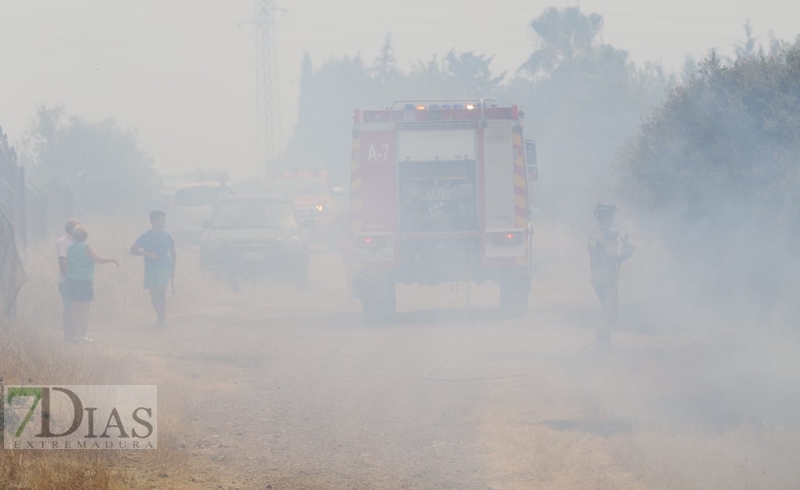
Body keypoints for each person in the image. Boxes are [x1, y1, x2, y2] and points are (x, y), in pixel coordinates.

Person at [587, 202, 636, 349]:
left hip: (596, 276)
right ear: (606, 216)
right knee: (612, 312)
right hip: (607, 278)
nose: (613, 218)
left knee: (606, 308)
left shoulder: (593, 232)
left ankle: (604, 341)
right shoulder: (608, 235)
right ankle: (603, 342)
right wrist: (627, 251)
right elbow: (612, 256)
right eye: (611, 215)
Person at [65, 225, 120, 343]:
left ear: (73, 235)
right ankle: (83, 336)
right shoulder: (86, 246)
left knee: (75, 310)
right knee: (84, 310)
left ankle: (74, 336)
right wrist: (111, 259)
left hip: (71, 280)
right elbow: (98, 259)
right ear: (85, 236)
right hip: (84, 281)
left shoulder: (70, 247)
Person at [130, 210, 176, 328]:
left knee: (161, 293)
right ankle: (161, 315)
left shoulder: (167, 236)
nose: (164, 222)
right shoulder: (146, 236)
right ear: (154, 221)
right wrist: (148, 254)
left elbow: (173, 252)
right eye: (161, 220)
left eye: (164, 220)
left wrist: (172, 268)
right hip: (150, 268)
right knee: (154, 296)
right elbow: (133, 250)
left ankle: (160, 320)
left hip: (164, 266)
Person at [56, 218, 80, 341]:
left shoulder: (73, 241)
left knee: (74, 306)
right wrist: (69, 278)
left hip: (74, 280)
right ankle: (67, 334)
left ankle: (73, 334)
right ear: (71, 229)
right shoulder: (63, 242)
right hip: (67, 281)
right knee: (68, 307)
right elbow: (62, 261)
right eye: (77, 227)